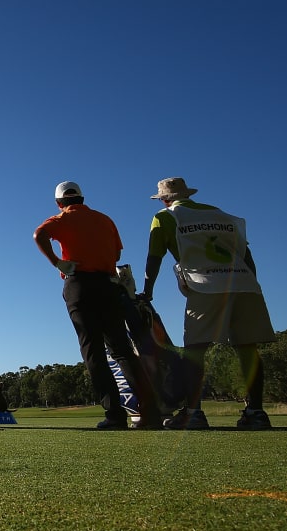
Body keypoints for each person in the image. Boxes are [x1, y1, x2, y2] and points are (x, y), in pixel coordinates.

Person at [142, 177, 275, 430]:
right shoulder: (221, 214)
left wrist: (147, 291)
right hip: (244, 283)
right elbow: (246, 255)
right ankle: (256, 412)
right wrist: (251, 285)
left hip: (205, 284)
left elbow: (154, 257)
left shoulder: (165, 216)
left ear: (164, 199)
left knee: (195, 350)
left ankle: (193, 413)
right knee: (248, 349)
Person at [35, 181, 162, 429]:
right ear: (82, 198)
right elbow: (115, 255)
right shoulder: (105, 220)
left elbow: (39, 235)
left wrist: (57, 263)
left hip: (79, 285)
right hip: (108, 285)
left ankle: (115, 415)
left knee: (92, 350)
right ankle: (151, 412)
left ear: (59, 203)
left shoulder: (61, 219)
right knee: (121, 349)